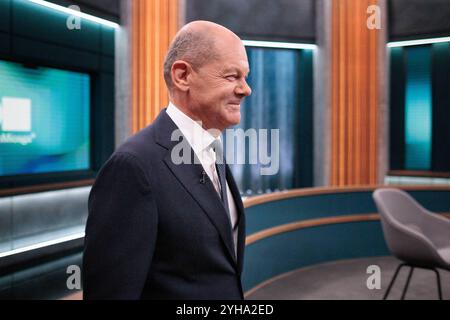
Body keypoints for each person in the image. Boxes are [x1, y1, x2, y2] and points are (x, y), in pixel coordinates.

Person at [83, 20, 252, 299]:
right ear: (182, 76)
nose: (246, 89)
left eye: (245, 78)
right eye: (232, 77)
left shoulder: (212, 147)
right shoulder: (132, 166)